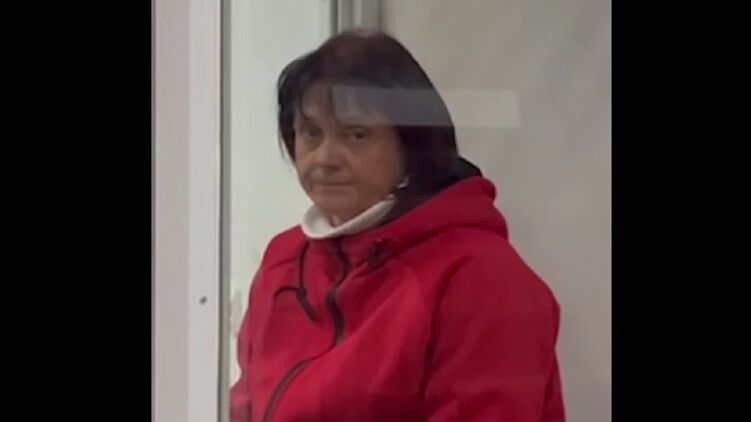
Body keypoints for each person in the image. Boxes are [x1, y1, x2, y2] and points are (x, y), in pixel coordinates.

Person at [230, 29, 565, 422]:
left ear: (411, 145)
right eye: (311, 134)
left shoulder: (480, 276)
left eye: (356, 135)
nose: (325, 158)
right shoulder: (283, 260)